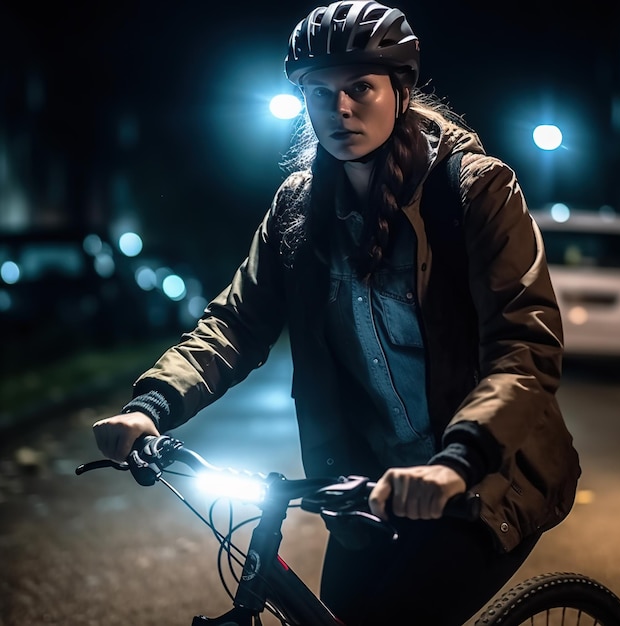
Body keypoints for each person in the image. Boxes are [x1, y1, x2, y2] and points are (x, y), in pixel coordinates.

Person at [93, 2, 581, 624]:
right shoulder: (298, 209)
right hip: (368, 491)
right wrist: (150, 407)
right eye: (319, 94)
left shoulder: (474, 192)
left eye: (360, 88)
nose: (340, 108)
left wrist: (457, 463)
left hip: (482, 481)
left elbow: (525, 345)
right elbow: (237, 324)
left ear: (400, 92)